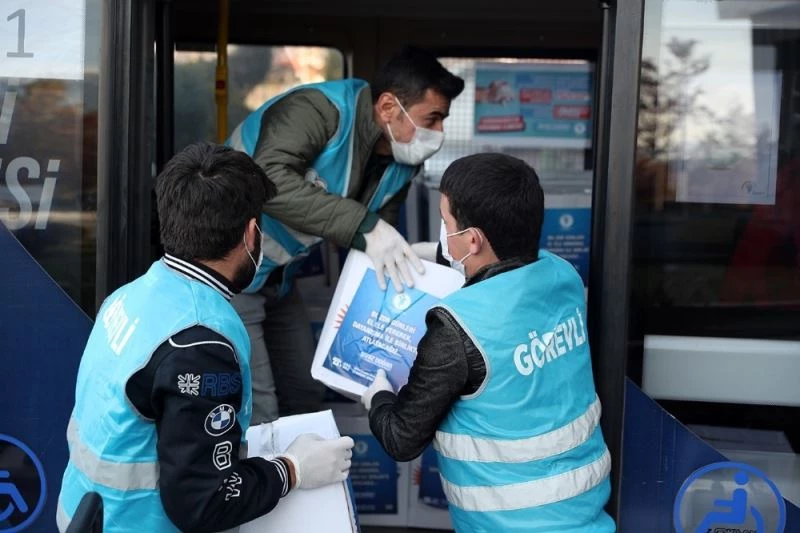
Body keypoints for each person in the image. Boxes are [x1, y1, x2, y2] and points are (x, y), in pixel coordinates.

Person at [57, 143, 354, 533]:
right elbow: (203, 502)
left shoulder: (132, 294)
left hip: (86, 512)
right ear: (252, 234)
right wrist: (292, 470)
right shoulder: (200, 344)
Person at [361, 154, 615, 532]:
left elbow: (401, 438)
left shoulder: (458, 327)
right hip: (587, 518)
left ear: (474, 239)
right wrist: (432, 253)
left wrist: (377, 397)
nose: (444, 233)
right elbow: (514, 263)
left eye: (446, 224)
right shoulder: (563, 276)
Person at [226, 46, 465, 424]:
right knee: (261, 409)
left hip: (279, 280)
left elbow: (377, 242)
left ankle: (302, 478)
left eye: (442, 120)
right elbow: (268, 178)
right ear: (388, 107)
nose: (438, 132)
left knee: (304, 395)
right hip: (230, 271)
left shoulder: (403, 163)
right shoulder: (320, 111)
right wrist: (365, 227)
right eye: (431, 118)